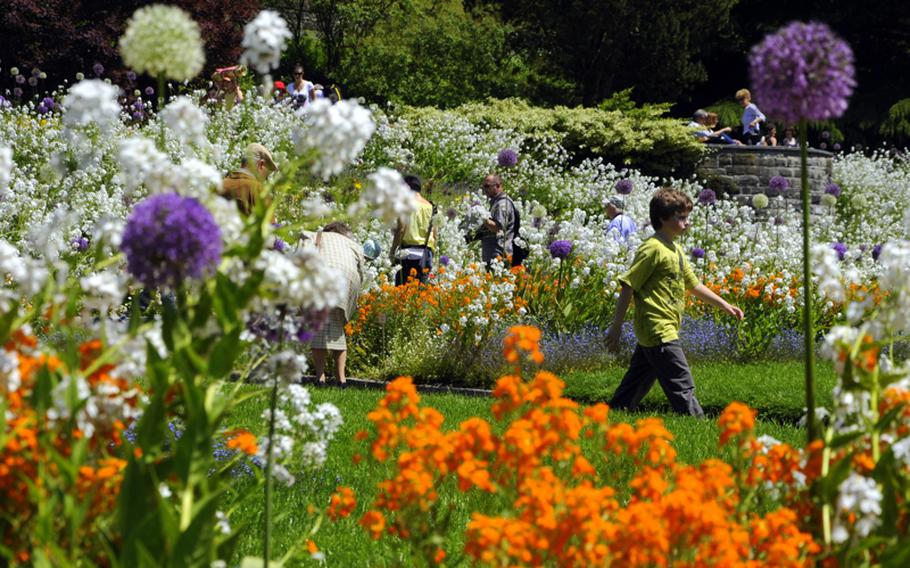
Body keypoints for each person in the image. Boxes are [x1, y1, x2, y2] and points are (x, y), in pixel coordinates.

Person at [606, 188, 744, 416]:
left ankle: (613, 416)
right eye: (681, 218)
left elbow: (694, 285)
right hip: (658, 327)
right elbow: (628, 284)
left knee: (634, 385)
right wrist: (616, 327)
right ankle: (697, 424)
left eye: (687, 217)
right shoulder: (652, 249)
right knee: (681, 383)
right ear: (662, 218)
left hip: (661, 329)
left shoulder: (676, 249)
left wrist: (725, 305)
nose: (686, 223)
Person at [308, 222, 364, 385]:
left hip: (322, 276)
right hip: (346, 278)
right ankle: (341, 379)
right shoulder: (350, 243)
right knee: (337, 327)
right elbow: (360, 269)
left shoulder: (318, 236)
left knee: (318, 327)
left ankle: (320, 377)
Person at [389, 175, 436, 285]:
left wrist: (392, 252)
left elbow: (401, 230)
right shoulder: (431, 206)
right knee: (420, 293)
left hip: (407, 253)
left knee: (402, 291)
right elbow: (434, 235)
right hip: (426, 253)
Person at [220, 143, 277, 216]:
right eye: (267, 175)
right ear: (261, 165)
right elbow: (270, 226)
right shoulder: (259, 190)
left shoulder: (220, 184)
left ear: (242, 164)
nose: (265, 179)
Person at [477, 174, 518, 269]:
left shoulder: (502, 204)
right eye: (483, 187)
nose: (484, 189)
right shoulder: (496, 202)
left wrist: (481, 216)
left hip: (499, 257)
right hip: (494, 256)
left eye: (487, 186)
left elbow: (497, 228)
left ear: (498, 186)